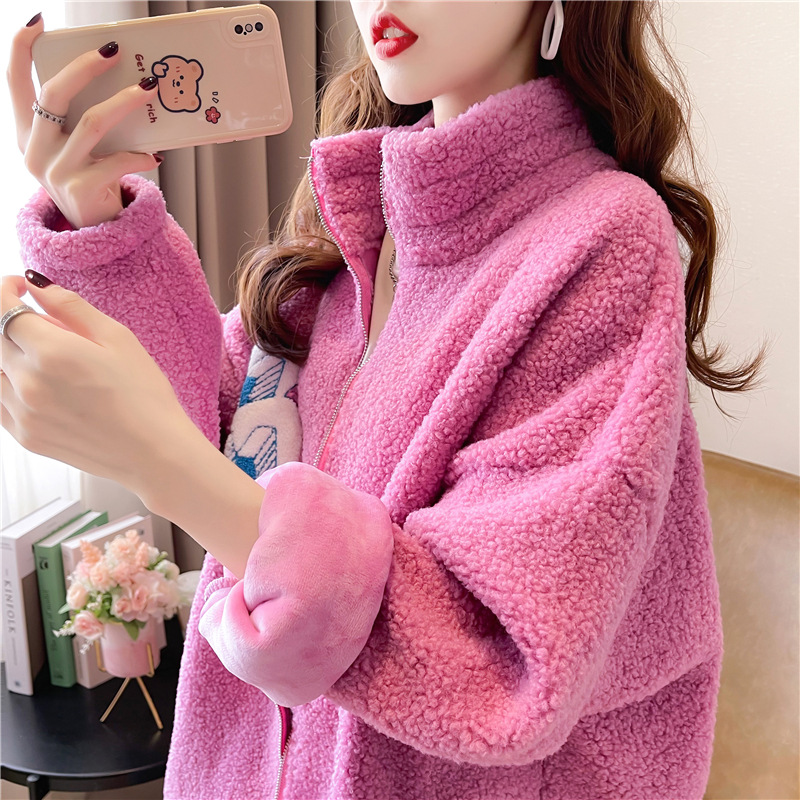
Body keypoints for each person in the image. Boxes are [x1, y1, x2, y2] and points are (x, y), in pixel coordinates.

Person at [0, 1, 765, 798]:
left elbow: (501, 661)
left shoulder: (602, 238)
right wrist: (98, 213)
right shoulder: (360, 219)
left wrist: (158, 461)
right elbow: (226, 431)